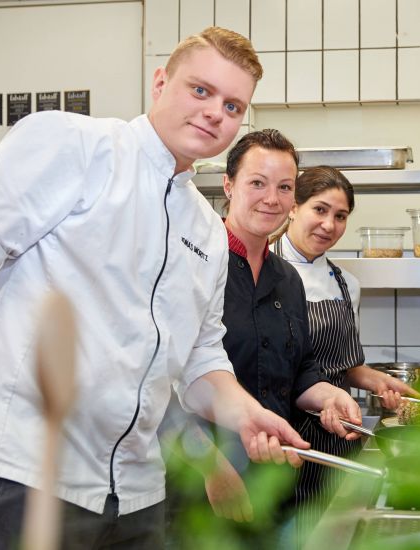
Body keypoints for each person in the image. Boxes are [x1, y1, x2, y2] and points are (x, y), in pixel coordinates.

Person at [0, 27, 309, 549]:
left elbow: (200, 360)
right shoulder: (75, 146)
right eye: (200, 91)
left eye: (232, 105)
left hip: (137, 497)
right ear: (160, 83)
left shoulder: (205, 228)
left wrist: (247, 413)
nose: (214, 113)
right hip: (22, 476)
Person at [164, 131, 363, 548]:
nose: (271, 198)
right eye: (257, 183)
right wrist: (212, 470)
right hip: (199, 486)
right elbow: (161, 383)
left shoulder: (287, 279)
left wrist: (328, 396)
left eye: (284, 187)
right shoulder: (192, 265)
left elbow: (300, 368)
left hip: (272, 480)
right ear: (229, 185)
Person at [272, 165, 420, 537]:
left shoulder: (345, 284)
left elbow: (346, 366)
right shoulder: (262, 272)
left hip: (339, 435)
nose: (329, 225)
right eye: (319, 210)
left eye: (340, 216)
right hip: (283, 439)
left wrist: (381, 382)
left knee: (336, 534)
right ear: (293, 206)